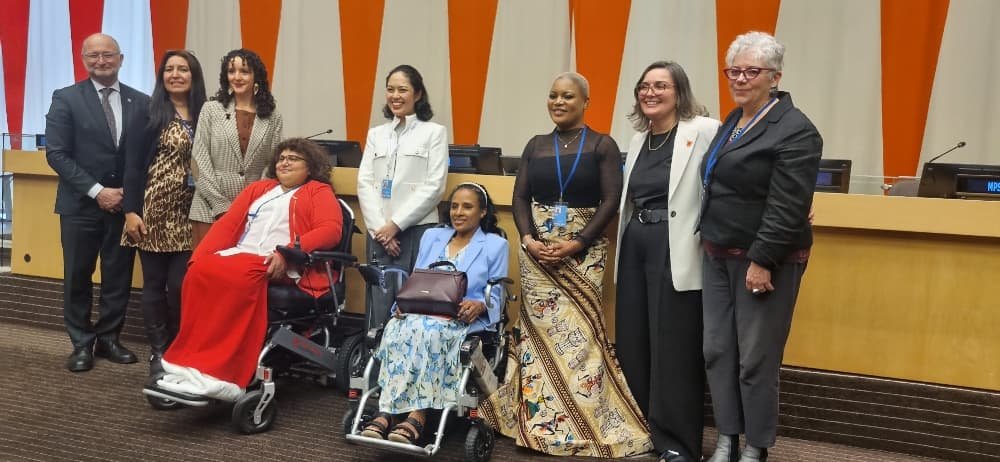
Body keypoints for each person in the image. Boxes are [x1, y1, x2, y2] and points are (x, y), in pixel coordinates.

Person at [480, 72, 653, 458]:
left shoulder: (601, 145)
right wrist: (528, 240)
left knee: (580, 336)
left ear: (585, 102)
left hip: (584, 250)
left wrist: (577, 241)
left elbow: (612, 200)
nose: (559, 102)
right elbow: (520, 197)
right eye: (553, 95)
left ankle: (587, 423)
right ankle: (537, 424)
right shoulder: (536, 145)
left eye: (568, 96)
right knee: (538, 338)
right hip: (537, 254)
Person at [699, 31, 822, 462]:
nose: (740, 78)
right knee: (717, 352)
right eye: (734, 70)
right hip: (717, 253)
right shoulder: (733, 121)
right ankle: (727, 437)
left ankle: (756, 445)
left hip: (765, 261)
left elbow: (788, 205)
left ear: (775, 77)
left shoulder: (795, 129)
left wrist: (763, 260)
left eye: (752, 71)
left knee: (755, 359)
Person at [155, 138, 343, 401]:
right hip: (244, 255)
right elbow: (228, 225)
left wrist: (286, 253)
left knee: (241, 275)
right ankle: (190, 362)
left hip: (284, 263)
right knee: (199, 272)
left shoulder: (318, 191)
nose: (284, 162)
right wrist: (200, 257)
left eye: (293, 158)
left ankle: (226, 372)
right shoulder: (259, 189)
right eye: (281, 158)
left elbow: (330, 230)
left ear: (310, 167)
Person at [615, 61, 721, 462]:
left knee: (673, 347)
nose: (650, 93)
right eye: (644, 86)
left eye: (661, 85)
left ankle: (678, 443)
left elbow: (733, 176)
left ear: (679, 92)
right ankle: (644, 431)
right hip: (636, 244)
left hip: (675, 247)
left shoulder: (703, 130)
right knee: (635, 341)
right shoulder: (640, 138)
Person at [360, 183, 508, 444]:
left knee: (429, 334)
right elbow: (418, 277)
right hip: (421, 311)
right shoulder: (433, 236)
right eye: (454, 206)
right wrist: (402, 307)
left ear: (483, 212)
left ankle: (418, 416)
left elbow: (497, 292)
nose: (458, 212)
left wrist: (481, 305)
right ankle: (387, 411)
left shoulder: (495, 245)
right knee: (396, 330)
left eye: (467, 206)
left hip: (459, 318)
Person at [45, 33, 152, 372]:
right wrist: (97, 191)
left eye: (108, 55)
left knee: (117, 275)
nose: (101, 61)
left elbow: (146, 156)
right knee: (77, 275)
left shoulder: (142, 102)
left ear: (121, 59)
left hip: (125, 206)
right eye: (93, 56)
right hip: (80, 206)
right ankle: (81, 343)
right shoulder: (65, 98)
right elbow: (57, 154)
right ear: (83, 59)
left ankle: (109, 338)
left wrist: (127, 195)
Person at [121, 49, 207, 381]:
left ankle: (181, 346)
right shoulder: (148, 112)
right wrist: (131, 210)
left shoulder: (207, 113)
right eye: (168, 69)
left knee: (182, 285)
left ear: (193, 75)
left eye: (182, 69)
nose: (175, 74)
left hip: (194, 211)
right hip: (153, 210)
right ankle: (159, 351)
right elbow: (131, 165)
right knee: (155, 285)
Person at [356, 64, 448, 328]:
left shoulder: (434, 133)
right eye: (390, 89)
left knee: (414, 300)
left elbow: (434, 186)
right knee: (379, 301)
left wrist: (395, 225)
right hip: (380, 232)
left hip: (417, 229)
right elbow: (365, 182)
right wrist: (380, 231)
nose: (395, 96)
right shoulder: (376, 134)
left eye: (403, 90)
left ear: (417, 94)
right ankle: (372, 361)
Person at [188, 48, 283, 248]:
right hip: (209, 208)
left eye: (244, 71)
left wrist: (256, 204)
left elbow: (272, 164)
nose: (237, 77)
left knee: (238, 274)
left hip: (253, 211)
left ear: (256, 76)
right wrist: (221, 206)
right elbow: (199, 161)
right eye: (231, 71)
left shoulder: (272, 116)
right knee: (208, 273)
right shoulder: (211, 109)